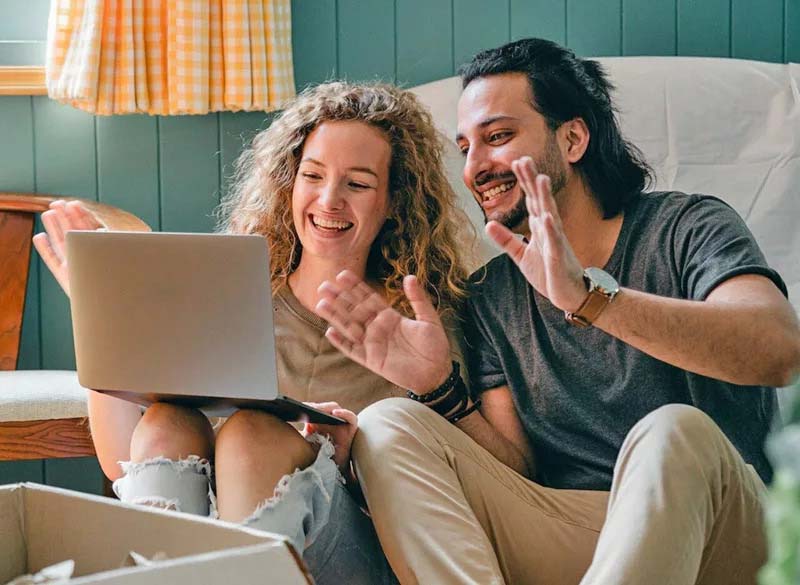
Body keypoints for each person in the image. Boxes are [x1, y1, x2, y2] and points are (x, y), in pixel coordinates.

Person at [313, 39, 800, 584]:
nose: (476, 167)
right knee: (389, 422)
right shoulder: (491, 295)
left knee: (671, 430)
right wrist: (437, 389)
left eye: (498, 137)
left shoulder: (687, 228)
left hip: (723, 528)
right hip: (581, 529)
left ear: (572, 138)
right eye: (466, 147)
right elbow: (517, 468)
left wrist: (591, 300)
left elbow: (778, 352)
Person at [32, 82, 471, 585]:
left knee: (251, 435)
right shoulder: (232, 296)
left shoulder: (418, 323)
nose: (329, 199)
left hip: (355, 552)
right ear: (290, 183)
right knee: (167, 420)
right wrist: (97, 316)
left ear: (394, 200)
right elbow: (120, 463)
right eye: (313, 175)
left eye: (358, 183)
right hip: (206, 549)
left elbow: (447, 501)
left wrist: (357, 459)